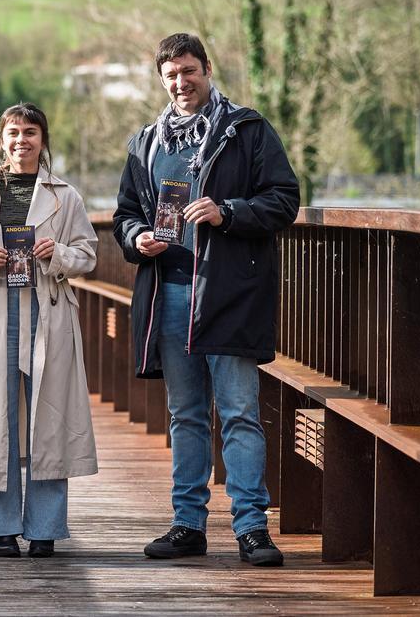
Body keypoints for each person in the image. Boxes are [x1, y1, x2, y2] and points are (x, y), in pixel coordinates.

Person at [113, 33, 300, 567]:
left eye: (189, 71)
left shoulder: (246, 129)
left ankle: (252, 529)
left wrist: (229, 212)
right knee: (186, 414)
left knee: (240, 412)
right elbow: (126, 212)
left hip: (228, 294)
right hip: (168, 294)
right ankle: (187, 525)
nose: (181, 82)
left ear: (208, 69)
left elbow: (284, 199)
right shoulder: (146, 142)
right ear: (162, 79)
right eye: (171, 75)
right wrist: (135, 239)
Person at [0, 103, 99, 559]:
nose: (21, 141)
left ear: (43, 140)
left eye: (30, 132)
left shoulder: (65, 196)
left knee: (49, 421)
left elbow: (88, 254)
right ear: (2, 138)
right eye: (13, 132)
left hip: (49, 314)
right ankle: (0, 527)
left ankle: (46, 527)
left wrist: (59, 254)